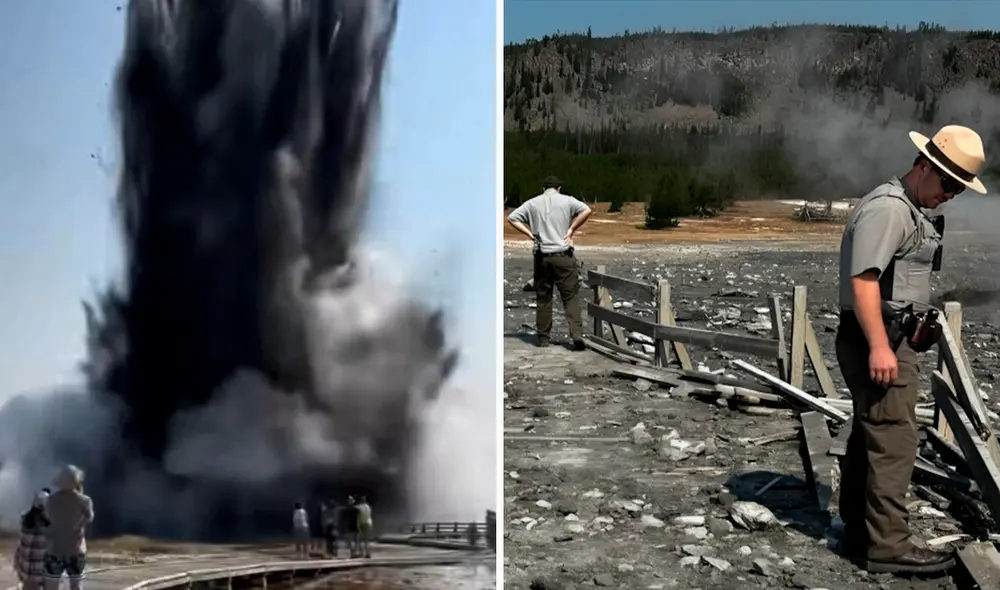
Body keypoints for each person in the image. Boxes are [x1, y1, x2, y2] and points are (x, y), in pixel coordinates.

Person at [836, 124, 988, 575]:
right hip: (880, 337)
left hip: (887, 334)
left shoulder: (907, 208)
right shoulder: (890, 210)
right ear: (924, 166)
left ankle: (862, 533)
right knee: (896, 440)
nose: (951, 195)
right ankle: (888, 546)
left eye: (959, 188)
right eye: (948, 183)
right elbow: (863, 281)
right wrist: (881, 346)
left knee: (872, 434)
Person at [506, 175, 592, 350]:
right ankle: (576, 334)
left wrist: (530, 234)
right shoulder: (567, 201)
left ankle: (544, 338)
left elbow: (512, 218)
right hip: (563, 254)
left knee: (544, 297)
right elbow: (586, 210)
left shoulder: (532, 203)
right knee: (570, 296)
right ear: (559, 188)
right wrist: (571, 229)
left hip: (541, 255)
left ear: (543, 188)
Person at [43, 465, 94, 590]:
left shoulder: (51, 500)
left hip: (55, 548)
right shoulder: (84, 500)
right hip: (75, 549)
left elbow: (45, 522)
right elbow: (89, 517)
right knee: (75, 585)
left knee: (51, 585)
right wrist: (78, 526)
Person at [14, 490, 50, 590]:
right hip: (44, 571)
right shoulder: (50, 524)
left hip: (26, 570)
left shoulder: (25, 520)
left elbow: (20, 547)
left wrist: (18, 567)